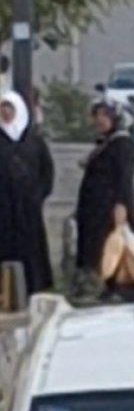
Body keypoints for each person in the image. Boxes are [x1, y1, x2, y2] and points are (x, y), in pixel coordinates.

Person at [75, 101, 134, 301]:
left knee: (113, 249)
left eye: (105, 115)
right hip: (96, 208)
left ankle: (122, 288)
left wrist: (121, 205)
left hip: (110, 208)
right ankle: (107, 287)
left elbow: (123, 177)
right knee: (102, 249)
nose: (100, 120)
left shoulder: (122, 144)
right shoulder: (107, 141)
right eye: (97, 115)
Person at [0, 91, 53, 293]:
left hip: (29, 211)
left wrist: (38, 195)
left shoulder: (33, 141)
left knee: (31, 253)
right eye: (2, 108)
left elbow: (46, 171)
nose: (5, 112)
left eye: (9, 108)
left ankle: (33, 288)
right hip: (4, 212)